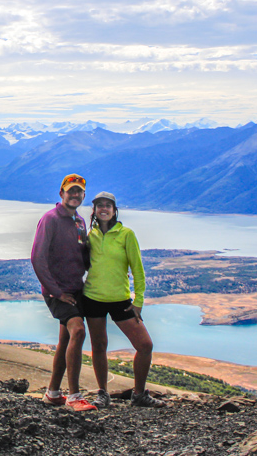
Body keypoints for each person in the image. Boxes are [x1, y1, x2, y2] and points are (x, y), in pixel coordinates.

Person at [82, 191, 166, 408]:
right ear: (94, 210)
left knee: (145, 345)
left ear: (114, 210)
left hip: (121, 300)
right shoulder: (89, 236)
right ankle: (103, 394)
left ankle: (139, 394)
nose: (103, 208)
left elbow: (138, 270)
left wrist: (138, 302)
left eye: (108, 205)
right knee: (99, 346)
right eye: (99, 205)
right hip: (92, 298)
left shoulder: (126, 234)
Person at [30, 173, 96, 411]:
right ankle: (75, 396)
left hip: (76, 288)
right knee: (78, 330)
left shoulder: (79, 221)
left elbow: (83, 257)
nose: (75, 195)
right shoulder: (50, 219)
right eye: (71, 191)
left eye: (79, 191)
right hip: (58, 291)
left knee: (65, 339)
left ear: (83, 195)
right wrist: (56, 292)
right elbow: (37, 258)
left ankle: (53, 393)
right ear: (61, 193)